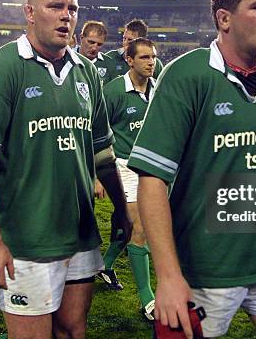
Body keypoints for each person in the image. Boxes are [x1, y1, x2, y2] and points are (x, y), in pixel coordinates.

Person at [128, 0, 256, 339]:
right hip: (203, 273)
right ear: (224, 18)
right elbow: (151, 180)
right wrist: (167, 276)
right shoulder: (187, 76)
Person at [0, 0, 132, 339]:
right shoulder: (1, 69)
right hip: (26, 240)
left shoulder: (86, 73)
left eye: (72, 9)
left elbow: (102, 152)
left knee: (72, 331)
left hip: (80, 235)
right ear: (30, 13)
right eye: (55, 7)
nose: (66, 16)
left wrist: (121, 208)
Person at [99, 37, 157, 321]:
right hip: (123, 166)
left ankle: (105, 264)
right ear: (129, 60)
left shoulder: (159, 90)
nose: (151, 62)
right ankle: (148, 298)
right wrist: (97, 176)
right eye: (144, 57)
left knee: (133, 227)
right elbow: (96, 135)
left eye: (153, 57)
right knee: (139, 228)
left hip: (154, 169)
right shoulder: (112, 92)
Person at [95, 19, 164, 83]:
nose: (125, 42)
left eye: (130, 40)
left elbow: (161, 88)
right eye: (124, 38)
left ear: (141, 41)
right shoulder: (110, 58)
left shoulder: (155, 64)